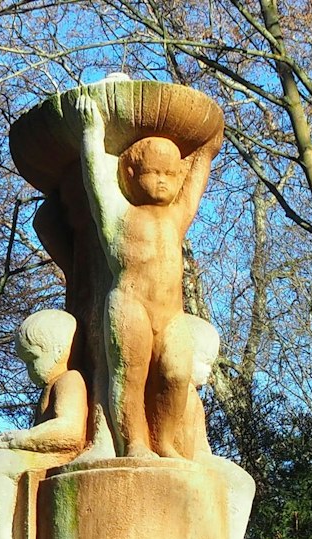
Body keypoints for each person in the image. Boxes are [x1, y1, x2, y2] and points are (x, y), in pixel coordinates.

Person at [73, 87, 221, 459]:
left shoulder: (176, 216)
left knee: (176, 372)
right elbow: (97, 185)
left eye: (170, 174)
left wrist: (207, 149)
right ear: (131, 171)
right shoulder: (119, 217)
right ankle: (136, 443)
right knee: (130, 376)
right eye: (153, 172)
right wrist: (93, 132)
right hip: (130, 305)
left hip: (171, 314)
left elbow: (195, 186)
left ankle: (165, 440)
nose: (162, 181)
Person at [0, 310, 87, 539]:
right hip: (43, 454)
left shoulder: (70, 380)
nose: (29, 369)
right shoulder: (49, 388)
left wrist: (17, 440)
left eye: (32, 359)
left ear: (57, 349)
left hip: (58, 456)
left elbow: (70, 430)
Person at [157, 313, 258, 539]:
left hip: (197, 457)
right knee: (241, 482)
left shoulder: (190, 397)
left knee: (239, 481)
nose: (209, 372)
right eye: (205, 362)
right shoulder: (176, 392)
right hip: (183, 458)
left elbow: (201, 443)